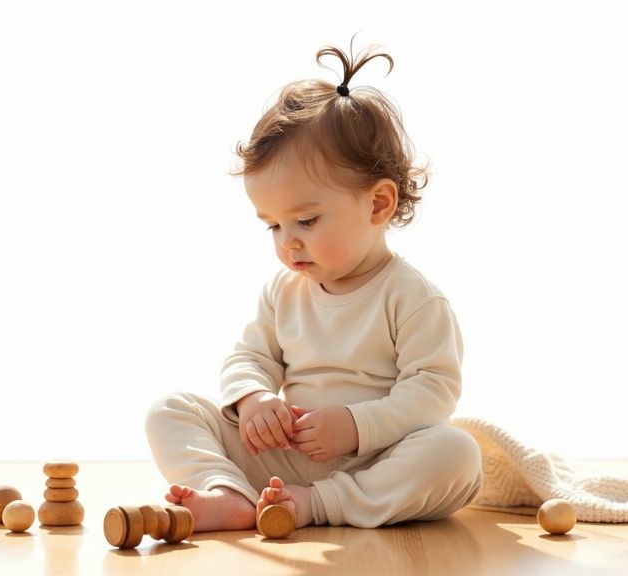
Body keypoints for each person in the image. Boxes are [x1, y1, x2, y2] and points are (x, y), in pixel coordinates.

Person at [146, 37, 482, 532]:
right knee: (169, 410)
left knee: (455, 453)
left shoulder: (411, 297)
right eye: (273, 226)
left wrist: (355, 425)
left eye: (305, 221)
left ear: (377, 205)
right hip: (284, 456)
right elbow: (250, 358)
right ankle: (230, 493)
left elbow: (433, 391)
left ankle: (318, 504)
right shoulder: (283, 292)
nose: (288, 244)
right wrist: (255, 399)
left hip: (375, 462)